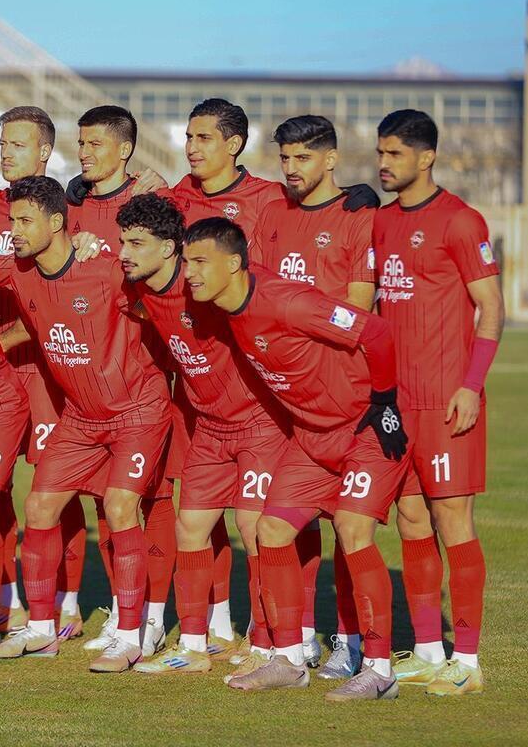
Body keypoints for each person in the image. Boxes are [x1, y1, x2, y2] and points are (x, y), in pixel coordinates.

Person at [184, 216, 410, 702]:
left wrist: (386, 402)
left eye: (200, 262)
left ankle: (379, 670)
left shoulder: (289, 302)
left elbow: (375, 331)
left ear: (234, 264)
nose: (190, 273)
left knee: (352, 529)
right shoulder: (227, 302)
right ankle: (288, 660)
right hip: (311, 439)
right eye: (186, 262)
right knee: (271, 530)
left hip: (365, 429)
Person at [0, 176, 172, 673]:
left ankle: (130, 636)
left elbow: (161, 302)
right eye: (12, 220)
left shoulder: (105, 269)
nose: (15, 230)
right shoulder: (20, 272)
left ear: (56, 222)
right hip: (82, 418)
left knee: (120, 506)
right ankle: (41, 630)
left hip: (137, 410)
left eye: (25, 221)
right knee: (40, 506)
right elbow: (34, 317)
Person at [110, 193, 291, 677]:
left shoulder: (207, 285)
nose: (123, 252)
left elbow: (268, 302)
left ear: (168, 249)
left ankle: (266, 644)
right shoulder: (141, 287)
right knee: (191, 527)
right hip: (208, 426)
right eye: (122, 241)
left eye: (135, 243)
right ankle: (193, 646)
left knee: (254, 531)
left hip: (259, 423)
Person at [374, 109, 504, 696]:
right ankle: (428, 651)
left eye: (395, 154)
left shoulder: (460, 220)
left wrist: (471, 385)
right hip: (395, 403)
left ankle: (468, 662)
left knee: (453, 520)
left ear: (426, 157)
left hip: (447, 400)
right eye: (381, 153)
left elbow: (491, 307)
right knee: (409, 518)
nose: (384, 163)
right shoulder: (380, 222)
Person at [0, 106, 88, 641]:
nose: (6, 153)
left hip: (49, 370)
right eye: (3, 143)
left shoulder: (67, 209)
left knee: (56, 485)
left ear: (45, 151)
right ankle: (7, 598)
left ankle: (67, 603)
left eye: (19, 144)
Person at [250, 115, 378, 678]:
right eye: (285, 158)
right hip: (284, 397)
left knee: (347, 527)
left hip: (342, 395)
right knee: (284, 524)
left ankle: (352, 641)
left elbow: (359, 310)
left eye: (303, 157)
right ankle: (297, 639)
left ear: (331, 159)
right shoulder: (272, 213)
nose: (292, 168)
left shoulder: (358, 216)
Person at [58, 105, 179, 657]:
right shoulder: (72, 205)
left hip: (146, 374)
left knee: (153, 499)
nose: (85, 152)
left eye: (96, 144)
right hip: (90, 381)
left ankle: (154, 618)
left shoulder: (152, 199)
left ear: (125, 149)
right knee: (107, 503)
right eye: (81, 143)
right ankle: (122, 608)